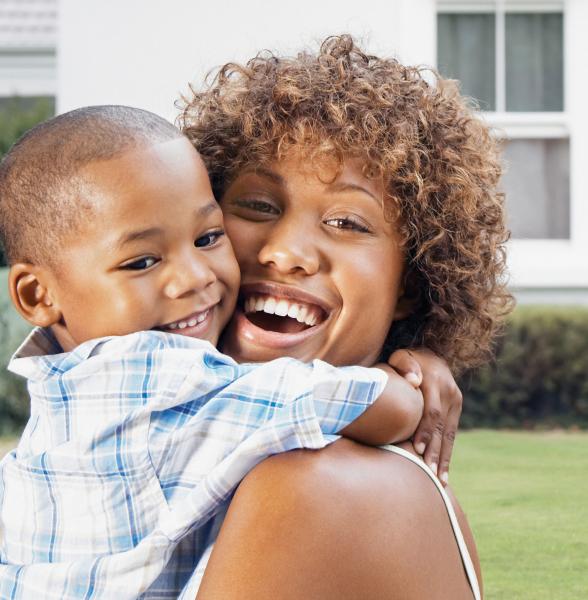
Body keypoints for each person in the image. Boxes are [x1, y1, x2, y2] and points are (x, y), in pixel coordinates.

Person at [0, 105, 427, 599]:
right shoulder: (162, 376)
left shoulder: (56, 389)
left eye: (207, 238)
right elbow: (380, 406)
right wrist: (410, 379)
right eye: (141, 261)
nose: (195, 276)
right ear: (37, 295)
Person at [180, 34, 512, 599]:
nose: (285, 252)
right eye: (257, 206)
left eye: (347, 223)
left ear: (410, 286)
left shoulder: (311, 484)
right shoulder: (207, 443)